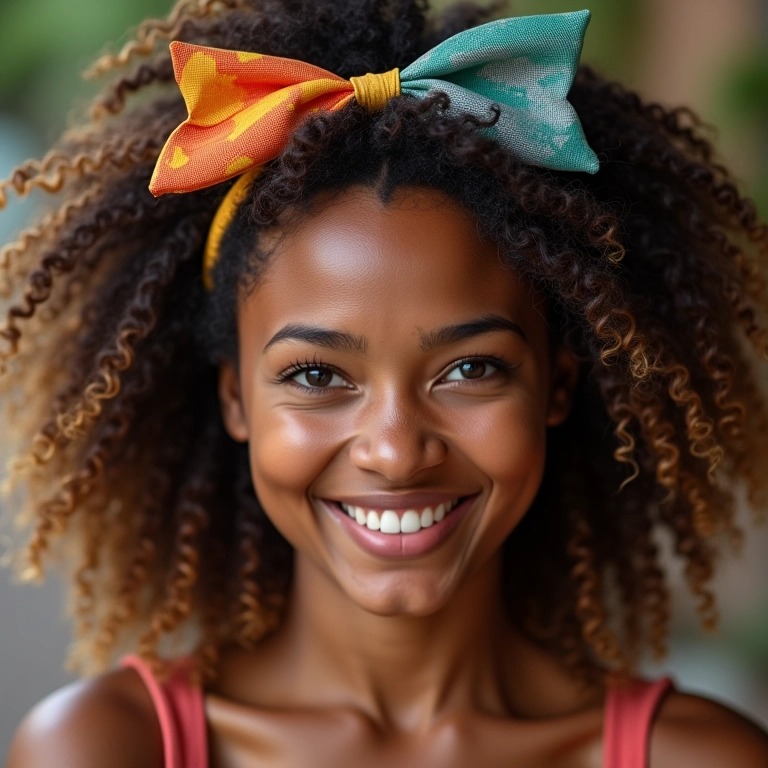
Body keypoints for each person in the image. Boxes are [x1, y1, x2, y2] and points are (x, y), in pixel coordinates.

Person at [3, 0, 768, 765]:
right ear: (236, 398)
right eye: (317, 375)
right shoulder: (105, 749)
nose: (396, 453)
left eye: (471, 369)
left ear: (556, 388)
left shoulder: (696, 759)